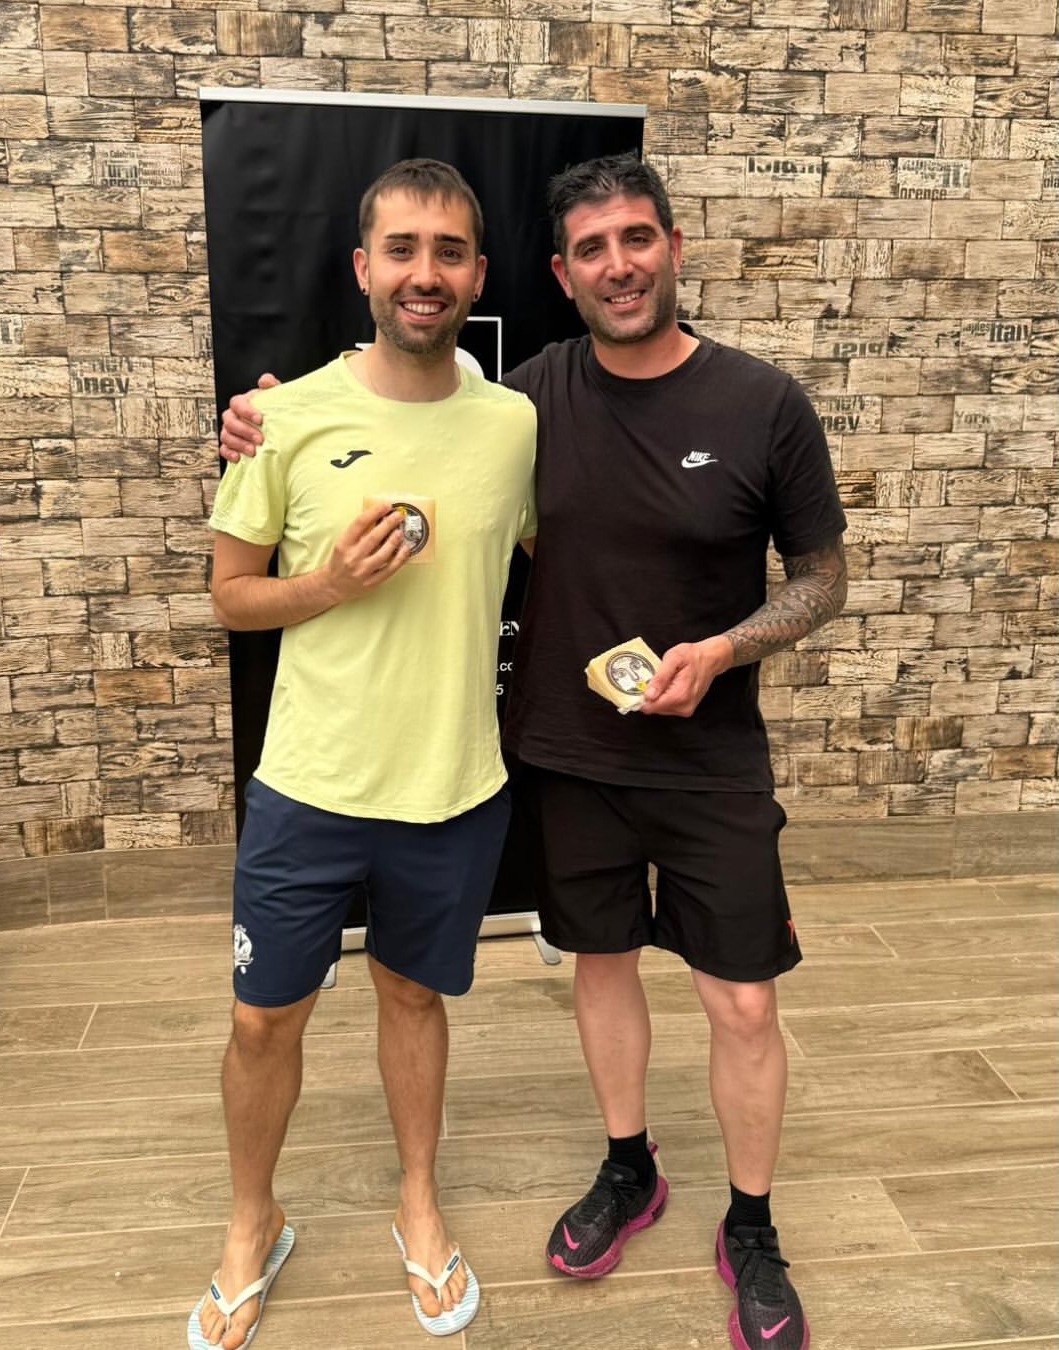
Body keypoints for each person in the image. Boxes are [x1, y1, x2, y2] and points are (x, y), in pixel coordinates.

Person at [218, 153, 846, 1350]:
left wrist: (726, 649)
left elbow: (823, 579)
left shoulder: (756, 403)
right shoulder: (528, 399)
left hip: (706, 758)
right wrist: (264, 420)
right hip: (567, 750)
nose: (620, 265)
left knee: (742, 1000)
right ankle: (628, 1167)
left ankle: (753, 1226)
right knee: (598, 969)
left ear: (673, 248)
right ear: (561, 275)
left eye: (638, 239)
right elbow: (398, 415)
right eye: (593, 248)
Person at [192, 158, 536, 1350]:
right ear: (362, 269)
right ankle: (253, 1221)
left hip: (452, 787)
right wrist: (331, 583)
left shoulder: (515, 426)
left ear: (477, 275)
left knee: (413, 997)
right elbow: (231, 597)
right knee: (261, 1021)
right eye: (402, 249)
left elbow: (577, 541)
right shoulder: (282, 418)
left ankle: (418, 1204)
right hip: (310, 787)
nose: (423, 273)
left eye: (448, 251)